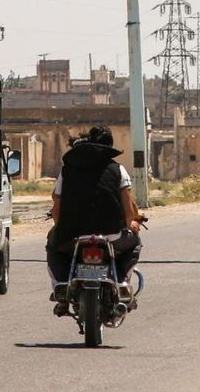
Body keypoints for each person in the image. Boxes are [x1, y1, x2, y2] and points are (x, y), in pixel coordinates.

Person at [47, 126, 143, 316]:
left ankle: (61, 285)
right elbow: (128, 209)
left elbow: (56, 206)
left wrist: (60, 228)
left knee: (53, 244)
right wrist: (131, 223)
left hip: (72, 235)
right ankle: (122, 282)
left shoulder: (67, 170)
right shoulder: (118, 170)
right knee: (135, 244)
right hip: (112, 235)